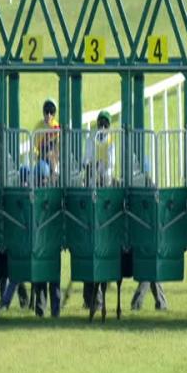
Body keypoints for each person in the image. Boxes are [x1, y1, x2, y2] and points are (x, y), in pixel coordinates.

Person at [82, 110, 117, 311]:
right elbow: (86, 160)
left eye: (106, 123)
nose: (103, 126)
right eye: (101, 123)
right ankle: (90, 298)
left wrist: (100, 172)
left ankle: (97, 298)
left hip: (105, 185)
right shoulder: (91, 138)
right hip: (91, 186)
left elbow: (110, 165)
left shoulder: (111, 140)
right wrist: (92, 169)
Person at [32, 98, 61, 318]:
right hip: (41, 229)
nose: (48, 115)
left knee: (53, 269)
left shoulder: (57, 128)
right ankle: (41, 308)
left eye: (51, 112)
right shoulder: (38, 128)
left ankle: (55, 309)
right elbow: (36, 151)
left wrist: (53, 161)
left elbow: (57, 152)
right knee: (42, 266)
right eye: (46, 112)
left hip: (53, 227)